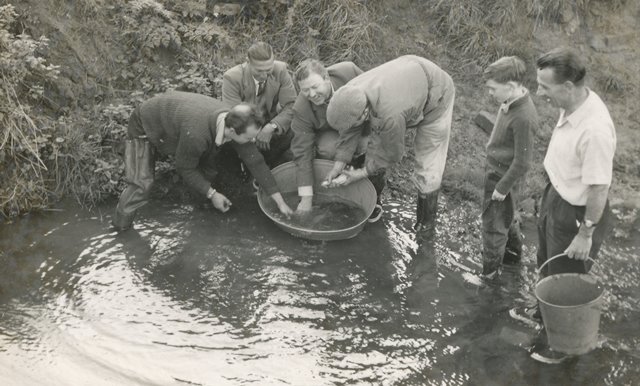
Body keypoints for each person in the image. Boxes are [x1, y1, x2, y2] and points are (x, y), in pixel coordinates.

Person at [512, 48, 616, 323]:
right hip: (556, 197)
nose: (538, 92)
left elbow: (599, 189)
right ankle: (543, 314)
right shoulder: (572, 103)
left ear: (568, 86)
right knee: (547, 262)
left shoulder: (595, 131)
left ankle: (562, 343)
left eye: (545, 86)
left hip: (577, 213)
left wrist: (586, 233)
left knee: (566, 277)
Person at [112, 91, 293, 231]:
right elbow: (184, 168)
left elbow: (256, 163)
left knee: (208, 171)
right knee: (142, 184)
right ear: (231, 131)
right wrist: (213, 194)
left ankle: (202, 213)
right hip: (145, 124)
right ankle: (121, 229)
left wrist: (280, 202)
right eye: (249, 138)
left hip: (179, 124)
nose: (253, 142)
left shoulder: (237, 124)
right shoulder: (197, 135)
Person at [324, 55, 455, 232]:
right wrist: (338, 165)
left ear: (363, 114)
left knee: (428, 166)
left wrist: (361, 173)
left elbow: (390, 153)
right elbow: (350, 130)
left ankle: (426, 226)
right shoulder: (350, 93)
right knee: (373, 138)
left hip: (437, 92)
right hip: (406, 74)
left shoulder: (390, 116)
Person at [290, 59, 385, 222]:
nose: (311, 94)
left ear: (326, 78)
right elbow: (302, 153)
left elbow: (376, 99)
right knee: (328, 148)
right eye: (305, 90)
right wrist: (306, 199)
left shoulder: (348, 72)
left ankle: (373, 195)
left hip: (362, 125)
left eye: (315, 87)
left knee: (371, 147)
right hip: (332, 132)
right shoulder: (301, 108)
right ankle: (340, 178)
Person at [480, 56, 538, 279]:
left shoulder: (524, 117)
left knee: (493, 227)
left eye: (493, 89)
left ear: (512, 86)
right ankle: (514, 258)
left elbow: (523, 162)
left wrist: (501, 188)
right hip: (496, 171)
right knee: (506, 217)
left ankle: (489, 276)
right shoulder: (509, 102)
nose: (490, 93)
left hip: (503, 179)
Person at [222, 41, 297, 167]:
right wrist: (256, 135)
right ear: (248, 62)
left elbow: (292, 105)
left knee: (296, 130)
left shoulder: (281, 70)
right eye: (259, 71)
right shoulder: (232, 77)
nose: (264, 75)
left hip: (271, 126)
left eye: (268, 70)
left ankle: (275, 166)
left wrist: (272, 126)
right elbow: (234, 117)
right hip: (245, 129)